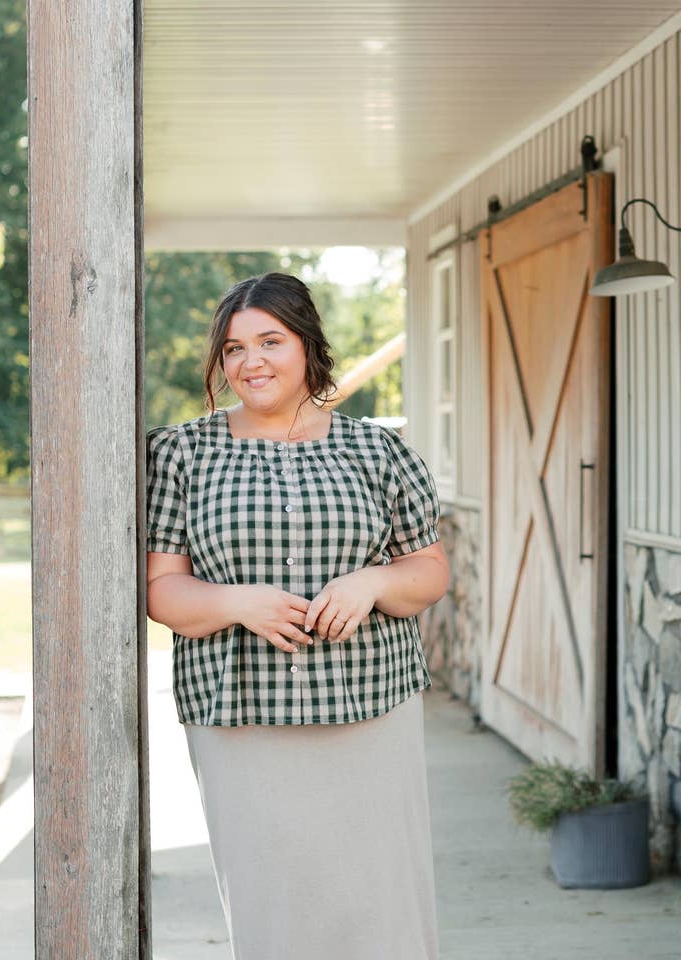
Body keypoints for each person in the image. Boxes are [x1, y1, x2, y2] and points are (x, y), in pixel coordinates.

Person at [146, 271, 450, 960]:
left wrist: (374, 581)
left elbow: (429, 572)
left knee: (381, 898)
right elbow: (161, 590)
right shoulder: (183, 454)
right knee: (273, 902)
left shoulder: (378, 451)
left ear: (309, 346)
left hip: (371, 707)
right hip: (241, 713)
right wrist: (234, 601)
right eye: (232, 349)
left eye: (269, 341)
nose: (249, 362)